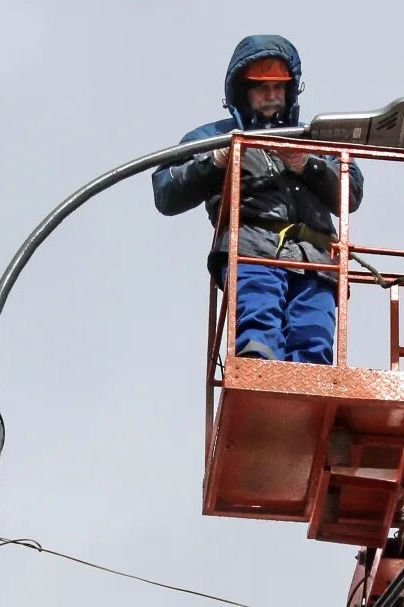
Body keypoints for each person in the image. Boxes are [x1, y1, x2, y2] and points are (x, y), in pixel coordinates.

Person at [152, 35, 364, 364]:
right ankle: (258, 375)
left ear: (290, 90)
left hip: (316, 259)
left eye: (278, 87)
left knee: (315, 343)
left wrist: (307, 163)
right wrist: (217, 158)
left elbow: (350, 193)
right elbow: (167, 192)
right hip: (252, 250)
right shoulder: (211, 138)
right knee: (258, 330)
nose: (271, 96)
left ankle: (305, 399)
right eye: (261, 87)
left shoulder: (315, 138)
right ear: (243, 91)